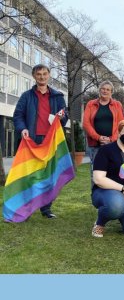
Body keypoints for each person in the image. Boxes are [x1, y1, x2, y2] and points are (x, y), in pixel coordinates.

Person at [13, 63, 68, 219]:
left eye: (44, 74)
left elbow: (65, 116)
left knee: (48, 174)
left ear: (49, 75)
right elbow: (18, 116)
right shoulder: (26, 96)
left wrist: (62, 116)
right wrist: (22, 128)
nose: (42, 77)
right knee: (30, 175)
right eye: (39, 74)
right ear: (34, 76)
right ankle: (28, 208)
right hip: (31, 140)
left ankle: (46, 209)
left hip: (51, 140)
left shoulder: (58, 96)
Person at [83, 80, 124, 185]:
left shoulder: (117, 105)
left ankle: (111, 196)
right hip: (95, 145)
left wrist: (111, 139)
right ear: (99, 90)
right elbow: (86, 123)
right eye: (103, 89)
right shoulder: (91, 104)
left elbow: (121, 124)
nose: (105, 91)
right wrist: (98, 137)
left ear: (111, 92)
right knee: (96, 172)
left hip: (113, 145)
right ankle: (96, 197)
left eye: (108, 90)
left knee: (112, 171)